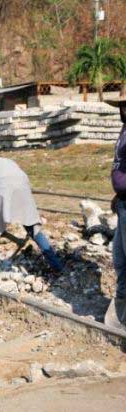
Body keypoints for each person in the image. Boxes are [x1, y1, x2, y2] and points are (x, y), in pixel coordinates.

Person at [106, 95, 126, 329]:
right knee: (120, 260)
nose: (123, 109)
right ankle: (122, 309)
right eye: (122, 106)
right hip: (122, 202)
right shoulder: (123, 129)